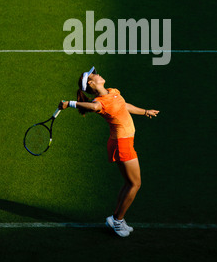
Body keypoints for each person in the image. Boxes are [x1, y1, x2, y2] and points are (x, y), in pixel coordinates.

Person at [59, 67, 159, 237]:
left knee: (129, 183)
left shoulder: (112, 92)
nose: (97, 74)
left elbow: (124, 105)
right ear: (91, 83)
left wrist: (144, 111)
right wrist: (70, 104)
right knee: (135, 184)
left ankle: (116, 218)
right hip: (122, 144)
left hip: (122, 142)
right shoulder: (100, 103)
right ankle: (118, 221)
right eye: (93, 75)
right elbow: (92, 106)